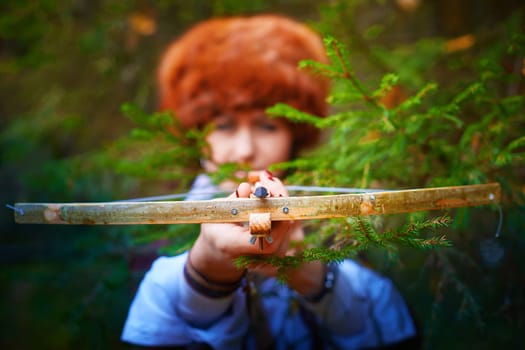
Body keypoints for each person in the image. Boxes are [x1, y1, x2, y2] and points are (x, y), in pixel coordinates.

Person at [121, 14, 420, 350]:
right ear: (196, 133)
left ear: (295, 135)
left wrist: (315, 276)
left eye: (267, 125)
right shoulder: (156, 238)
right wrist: (205, 273)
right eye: (223, 126)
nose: (245, 150)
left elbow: (387, 327)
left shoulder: (342, 230)